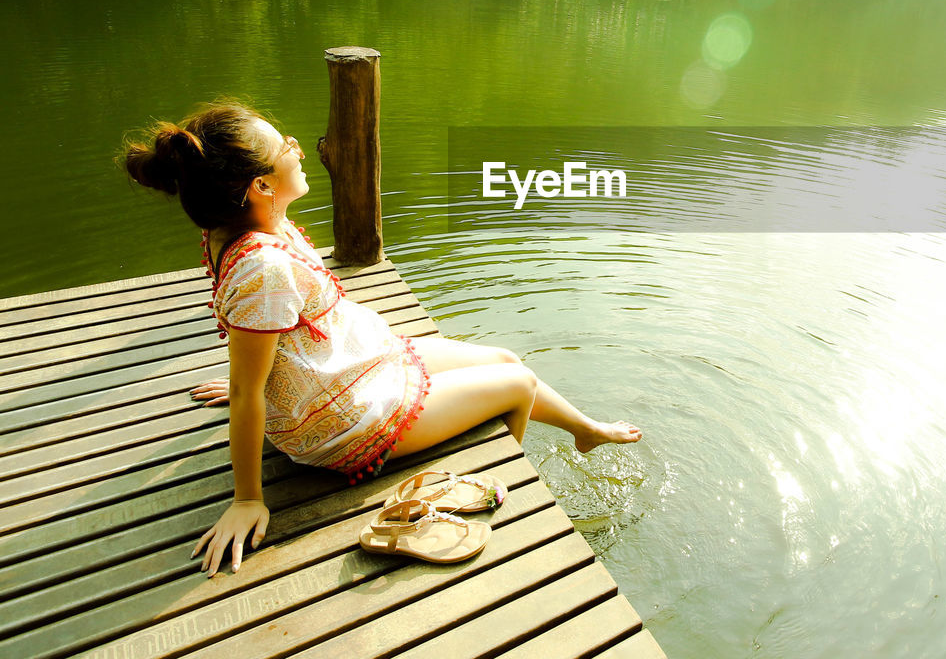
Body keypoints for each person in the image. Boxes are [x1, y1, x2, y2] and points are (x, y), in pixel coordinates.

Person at [121, 101, 641, 578]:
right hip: (342, 422)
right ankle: (485, 472)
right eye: (285, 148)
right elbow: (249, 374)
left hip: (347, 370)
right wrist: (247, 495)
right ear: (259, 185)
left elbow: (255, 345)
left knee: (504, 357)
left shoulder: (253, 225)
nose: (300, 149)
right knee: (518, 383)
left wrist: (254, 377)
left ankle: (585, 429)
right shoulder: (265, 268)